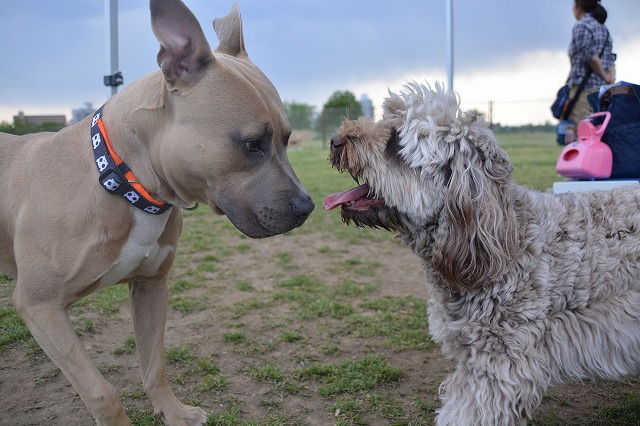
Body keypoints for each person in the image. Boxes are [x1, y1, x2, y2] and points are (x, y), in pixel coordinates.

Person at [567, 0, 616, 124]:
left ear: (579, 6)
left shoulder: (581, 26)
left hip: (584, 92)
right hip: (603, 93)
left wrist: (604, 76)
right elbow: (610, 59)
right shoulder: (603, 29)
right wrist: (610, 78)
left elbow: (591, 57)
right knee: (600, 134)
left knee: (584, 135)